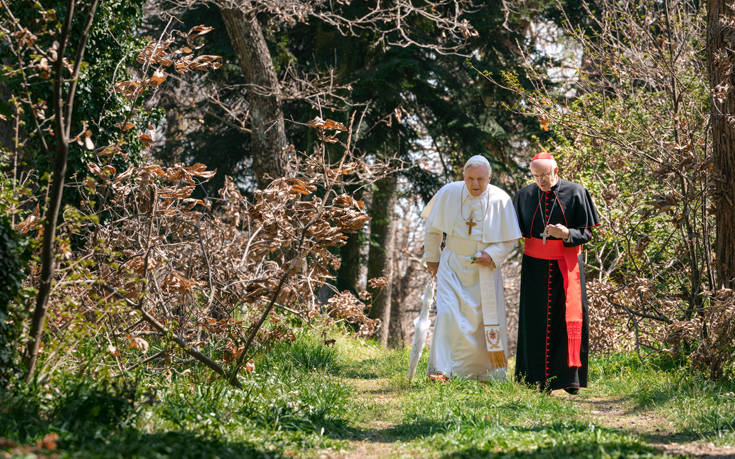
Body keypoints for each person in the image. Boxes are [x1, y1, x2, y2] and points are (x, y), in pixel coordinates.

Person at [421, 155, 522, 381]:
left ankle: (484, 374)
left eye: (480, 179)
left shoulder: (500, 199)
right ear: (463, 177)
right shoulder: (449, 192)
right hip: (452, 264)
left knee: (480, 322)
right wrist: (433, 258)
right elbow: (433, 229)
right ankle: (442, 370)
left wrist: (492, 255)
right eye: (470, 179)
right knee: (448, 314)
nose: (475, 184)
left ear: (490, 178)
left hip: (484, 270)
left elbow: (509, 240)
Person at [513, 152, 600, 394]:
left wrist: (566, 234)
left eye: (545, 175)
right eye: (536, 176)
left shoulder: (576, 192)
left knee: (567, 320)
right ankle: (535, 380)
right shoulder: (524, 195)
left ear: (556, 171)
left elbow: (587, 234)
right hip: (534, 267)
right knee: (535, 322)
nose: (541, 180)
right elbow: (512, 230)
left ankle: (569, 380)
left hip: (567, 265)